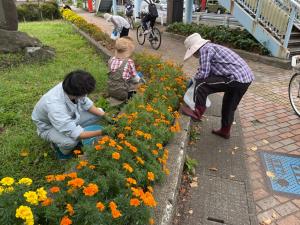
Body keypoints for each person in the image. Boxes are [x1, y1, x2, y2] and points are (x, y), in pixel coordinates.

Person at [181, 33, 254, 139]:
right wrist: (195, 78)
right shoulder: (211, 47)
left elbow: (203, 74)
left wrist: (194, 81)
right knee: (229, 105)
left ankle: (197, 113)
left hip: (235, 78)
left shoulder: (204, 50)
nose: (193, 55)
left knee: (202, 85)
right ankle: (225, 131)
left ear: (195, 49)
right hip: (245, 79)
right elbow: (209, 71)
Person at [32, 70, 105, 159]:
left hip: (66, 118)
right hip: (48, 127)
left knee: (98, 113)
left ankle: (68, 132)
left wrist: (105, 116)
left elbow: (86, 103)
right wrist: (102, 132)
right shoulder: (55, 106)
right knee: (71, 141)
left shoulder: (72, 85)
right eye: (84, 94)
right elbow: (76, 134)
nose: (86, 95)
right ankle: (60, 151)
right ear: (76, 94)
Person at [107, 37, 141, 101]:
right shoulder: (129, 62)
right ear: (129, 51)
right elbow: (135, 79)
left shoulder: (111, 60)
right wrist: (138, 78)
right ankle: (129, 99)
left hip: (110, 90)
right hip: (122, 94)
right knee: (137, 81)